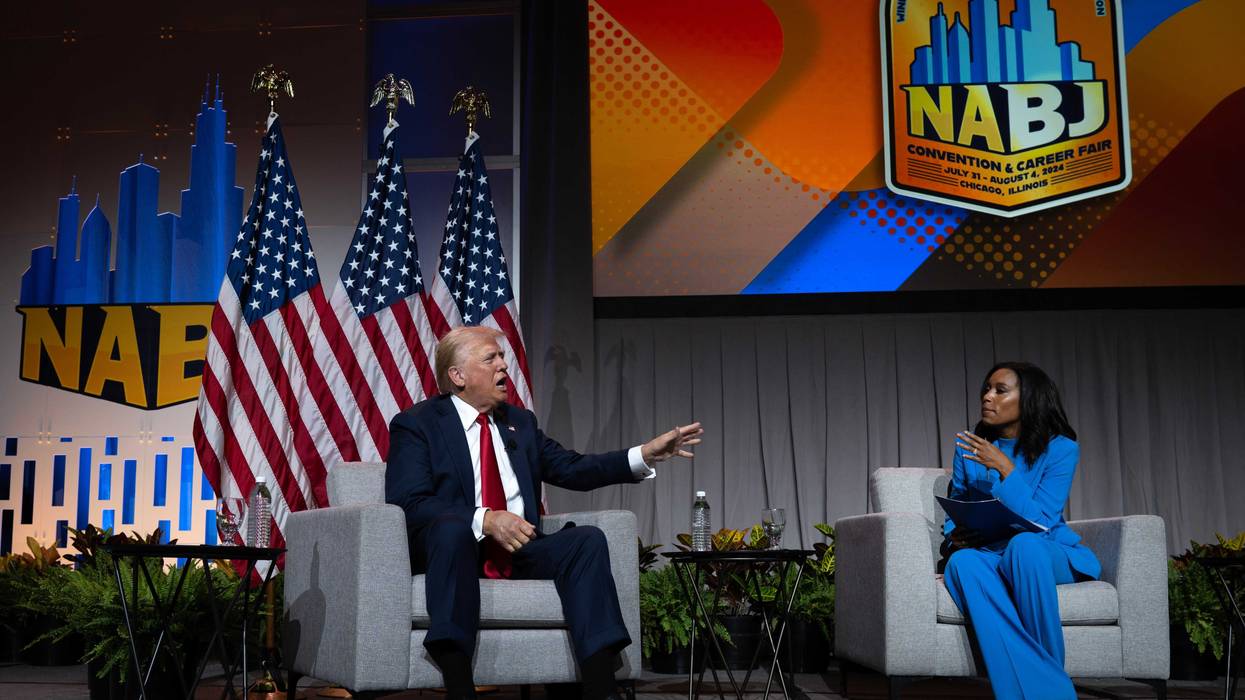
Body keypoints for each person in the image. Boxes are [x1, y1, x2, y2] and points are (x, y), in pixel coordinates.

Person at [386, 326, 702, 700]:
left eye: (502, 357)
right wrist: (485, 518)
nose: (504, 365)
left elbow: (573, 467)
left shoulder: (520, 422)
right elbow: (411, 501)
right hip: (456, 552)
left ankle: (601, 688)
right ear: (458, 376)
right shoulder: (418, 424)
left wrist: (642, 455)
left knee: (586, 541)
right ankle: (459, 687)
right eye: (491, 358)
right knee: (453, 531)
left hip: (520, 547)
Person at [940, 362, 1100, 700]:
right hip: (990, 551)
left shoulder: (1061, 449)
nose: (987, 396)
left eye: (1000, 390)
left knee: (1024, 545)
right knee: (962, 564)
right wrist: (955, 535)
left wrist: (1005, 467)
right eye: (986, 388)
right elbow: (958, 506)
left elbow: (1041, 519)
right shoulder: (968, 448)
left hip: (1045, 550)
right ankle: (1051, 690)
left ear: (1029, 400)